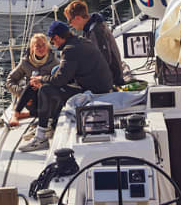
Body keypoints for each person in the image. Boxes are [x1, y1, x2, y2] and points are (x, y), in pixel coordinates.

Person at [20, 21, 112, 152]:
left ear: (57, 38)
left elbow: (59, 80)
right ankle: (50, 124)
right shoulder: (81, 41)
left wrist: (41, 79)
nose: (54, 45)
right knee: (54, 76)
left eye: (52, 42)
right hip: (101, 86)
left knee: (46, 89)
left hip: (94, 93)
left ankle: (41, 138)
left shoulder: (69, 50)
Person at [64, 0, 126, 87]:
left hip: (111, 80)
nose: (70, 24)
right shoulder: (90, 28)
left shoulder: (97, 32)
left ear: (77, 18)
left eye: (69, 21)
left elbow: (105, 61)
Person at [5, 33, 58, 126]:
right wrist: (21, 93)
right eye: (37, 46)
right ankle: (16, 114)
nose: (41, 48)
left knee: (53, 113)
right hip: (32, 100)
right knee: (32, 83)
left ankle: (27, 114)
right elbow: (10, 80)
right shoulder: (26, 62)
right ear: (32, 48)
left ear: (48, 46)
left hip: (48, 99)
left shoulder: (55, 62)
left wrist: (43, 84)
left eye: (43, 45)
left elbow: (61, 81)